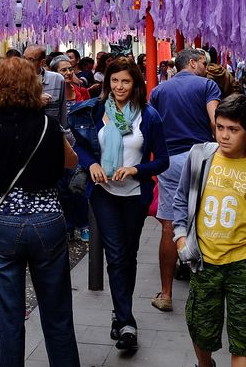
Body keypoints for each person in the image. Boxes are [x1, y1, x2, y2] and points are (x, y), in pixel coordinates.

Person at [0, 57, 81, 366]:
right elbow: (70, 164)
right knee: (57, 313)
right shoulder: (46, 125)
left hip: (2, 221)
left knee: (9, 316)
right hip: (47, 220)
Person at [173, 94, 246, 367]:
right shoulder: (199, 157)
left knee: (244, 335)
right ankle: (205, 364)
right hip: (204, 260)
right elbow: (180, 201)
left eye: (233, 130)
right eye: (220, 127)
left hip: (245, 263)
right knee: (200, 327)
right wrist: (180, 239)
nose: (224, 136)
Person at [74, 57, 169, 351]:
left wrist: (136, 170)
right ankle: (128, 323)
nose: (119, 87)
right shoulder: (97, 111)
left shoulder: (148, 116)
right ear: (107, 82)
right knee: (115, 255)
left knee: (129, 255)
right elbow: (80, 146)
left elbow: (162, 160)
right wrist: (91, 165)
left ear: (136, 84)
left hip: (134, 196)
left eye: (125, 81)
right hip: (104, 194)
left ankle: (120, 312)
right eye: (114, 81)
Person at [148, 48, 223, 312]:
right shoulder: (207, 86)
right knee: (204, 219)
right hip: (202, 157)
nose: (207, 67)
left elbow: (149, 127)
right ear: (192, 63)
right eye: (204, 63)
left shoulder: (159, 91)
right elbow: (216, 121)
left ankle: (166, 294)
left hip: (170, 160)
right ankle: (206, 292)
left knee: (170, 224)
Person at [49, 55, 90, 242]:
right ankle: (67, 226)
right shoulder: (49, 94)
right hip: (56, 146)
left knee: (78, 187)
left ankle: (83, 224)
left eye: (69, 69)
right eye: (62, 70)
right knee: (61, 189)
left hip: (78, 146)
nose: (67, 73)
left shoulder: (81, 92)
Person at [23, 45, 67, 127]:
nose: (25, 62)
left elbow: (63, 111)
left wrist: (63, 132)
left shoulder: (57, 79)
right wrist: (36, 101)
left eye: (30, 59)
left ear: (42, 62)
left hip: (51, 131)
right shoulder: (15, 80)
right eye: (24, 58)